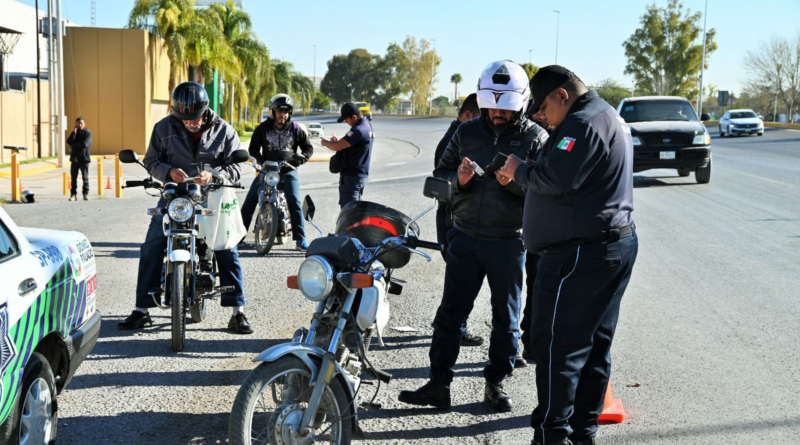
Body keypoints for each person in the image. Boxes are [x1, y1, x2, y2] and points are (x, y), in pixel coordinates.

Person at [498, 65, 638, 445]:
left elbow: (558, 178)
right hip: (606, 246)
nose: (540, 118)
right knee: (593, 347)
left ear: (562, 95)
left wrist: (519, 169)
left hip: (581, 254)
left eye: (542, 109)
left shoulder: (584, 123)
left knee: (559, 348)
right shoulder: (605, 115)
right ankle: (582, 433)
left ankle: (552, 435)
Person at [398, 61, 548, 413]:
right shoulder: (465, 133)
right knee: (450, 315)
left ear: (521, 103)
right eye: (491, 105)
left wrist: (514, 184)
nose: (497, 113)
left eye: (505, 107)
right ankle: (438, 385)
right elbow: (440, 177)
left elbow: (544, 195)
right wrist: (459, 180)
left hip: (509, 242)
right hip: (464, 237)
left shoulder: (535, 138)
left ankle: (496, 383)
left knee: (506, 319)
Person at [117, 81, 253, 334]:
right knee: (153, 242)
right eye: (185, 119)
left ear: (205, 110)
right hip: (174, 196)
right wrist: (168, 171)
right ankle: (142, 310)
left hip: (213, 196)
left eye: (195, 119)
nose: (191, 123)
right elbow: (151, 160)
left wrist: (211, 175)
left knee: (225, 245)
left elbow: (237, 167)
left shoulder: (224, 130)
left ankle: (238, 312)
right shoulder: (163, 127)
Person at [432, 93, 483, 348]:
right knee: (462, 280)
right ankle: (454, 326)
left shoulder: (461, 135)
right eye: (481, 117)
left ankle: (449, 322)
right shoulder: (453, 140)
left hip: (456, 217)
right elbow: (442, 180)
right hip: (452, 218)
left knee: (460, 279)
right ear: (468, 116)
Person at [240, 94, 313, 251]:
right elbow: (252, 149)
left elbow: (308, 148)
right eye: (280, 111)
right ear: (273, 112)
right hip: (267, 171)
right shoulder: (262, 128)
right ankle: (239, 238)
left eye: (286, 111)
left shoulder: (296, 129)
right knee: (250, 200)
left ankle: (300, 240)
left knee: (294, 201)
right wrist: (261, 161)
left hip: (288, 171)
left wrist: (301, 159)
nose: (283, 115)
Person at [320, 103, 374, 208]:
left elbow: (337, 147)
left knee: (349, 211)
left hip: (352, 177)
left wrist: (325, 142)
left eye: (347, 119)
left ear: (354, 117)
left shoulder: (358, 130)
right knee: (355, 209)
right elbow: (350, 143)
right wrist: (337, 143)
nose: (346, 121)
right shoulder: (366, 125)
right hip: (359, 175)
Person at [66, 117, 92, 201]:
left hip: (84, 159)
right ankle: (73, 195)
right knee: (73, 178)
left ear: (84, 124)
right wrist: (74, 133)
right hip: (74, 158)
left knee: (85, 177)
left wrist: (74, 145)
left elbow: (85, 143)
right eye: (78, 123)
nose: (79, 125)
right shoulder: (74, 133)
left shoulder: (88, 133)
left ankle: (85, 194)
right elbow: (69, 142)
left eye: (81, 123)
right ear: (76, 124)